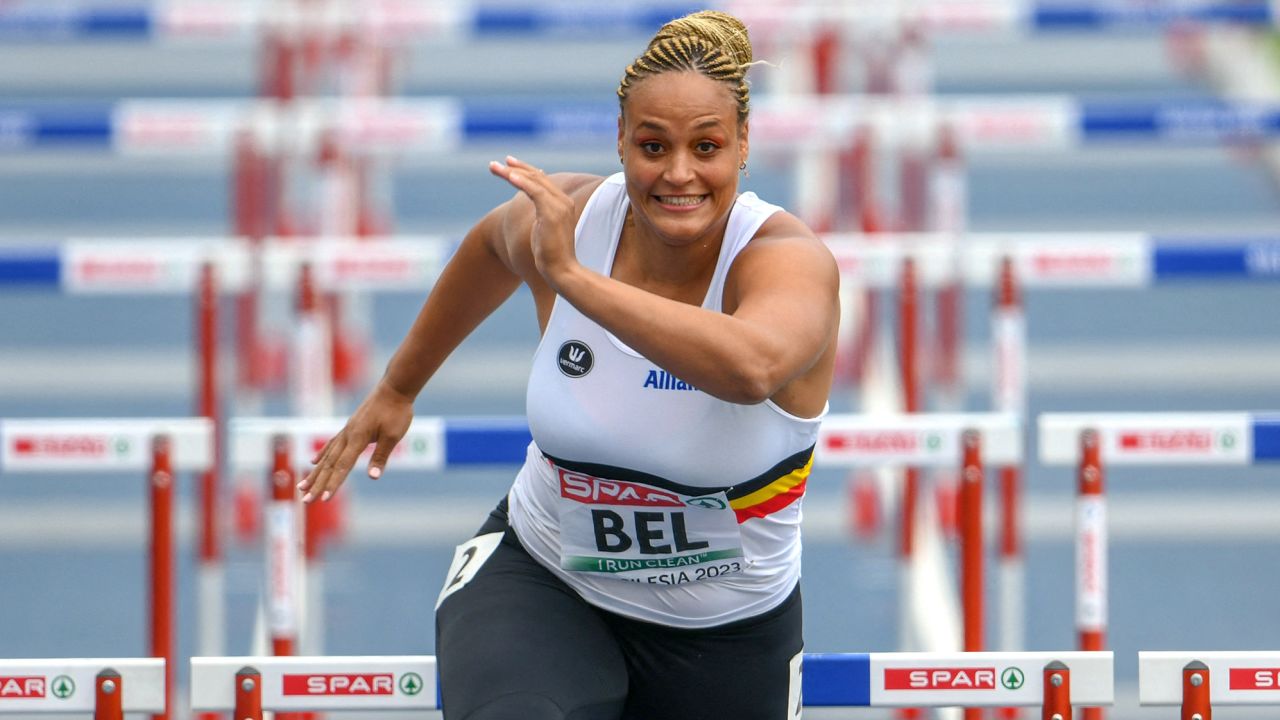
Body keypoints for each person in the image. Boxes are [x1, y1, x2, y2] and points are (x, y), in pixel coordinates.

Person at [299, 9, 840, 719]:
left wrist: (577, 281)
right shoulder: (574, 218)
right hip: (546, 584)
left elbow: (752, 367)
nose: (679, 174)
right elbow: (491, 246)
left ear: (743, 144)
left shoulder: (785, 262)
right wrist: (399, 387)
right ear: (620, 141)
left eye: (706, 146)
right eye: (653, 146)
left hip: (727, 635)